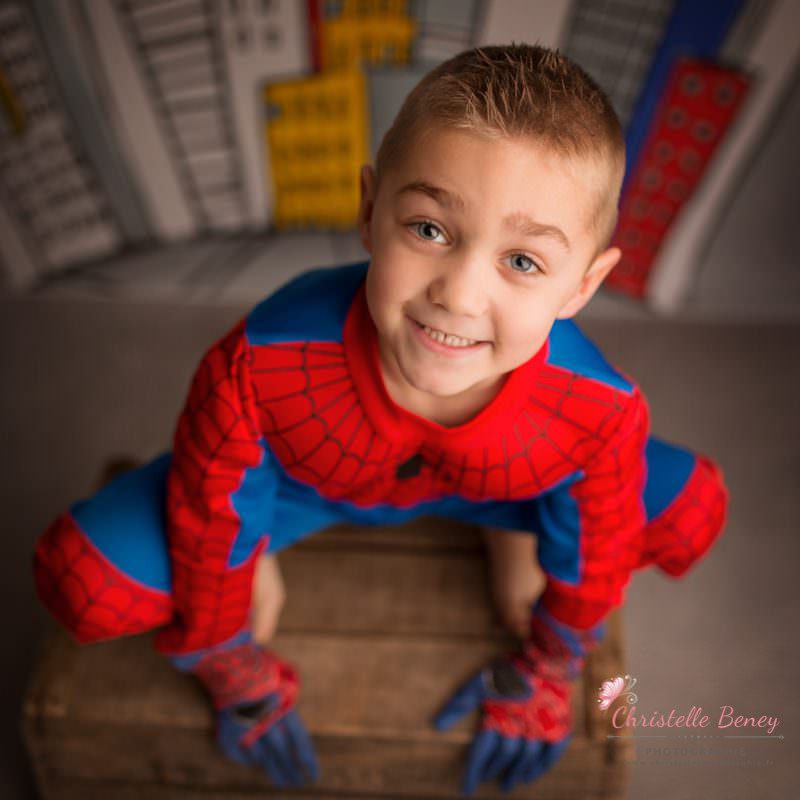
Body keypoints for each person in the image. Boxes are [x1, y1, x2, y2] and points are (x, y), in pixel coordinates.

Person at [32, 44, 728, 795]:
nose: (458, 295)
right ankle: (262, 546)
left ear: (582, 286)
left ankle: (510, 536)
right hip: (300, 485)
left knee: (690, 509)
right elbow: (209, 512)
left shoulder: (600, 406)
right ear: (370, 211)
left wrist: (550, 666)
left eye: (523, 262)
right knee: (86, 577)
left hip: (507, 487)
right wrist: (229, 654)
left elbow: (602, 542)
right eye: (429, 229)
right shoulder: (260, 360)